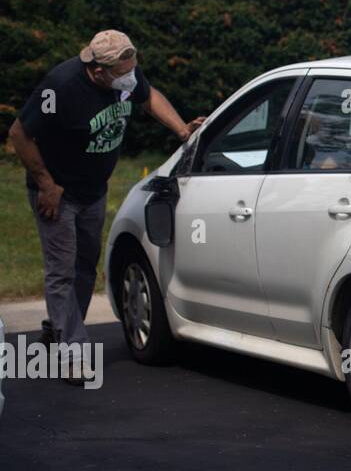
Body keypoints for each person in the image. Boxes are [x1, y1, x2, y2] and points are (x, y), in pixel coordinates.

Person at [7, 31, 205, 383]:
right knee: (62, 270)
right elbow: (19, 134)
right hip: (59, 192)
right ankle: (73, 354)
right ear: (97, 70)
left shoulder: (125, 74)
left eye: (133, 69)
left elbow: (149, 97)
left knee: (85, 266)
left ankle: (60, 331)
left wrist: (182, 131)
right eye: (122, 72)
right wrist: (46, 184)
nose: (131, 77)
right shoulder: (61, 87)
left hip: (93, 191)